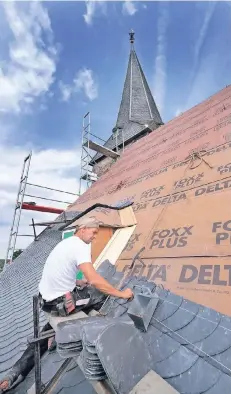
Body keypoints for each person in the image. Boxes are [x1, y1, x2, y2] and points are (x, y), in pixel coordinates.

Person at [0, 216, 133, 392]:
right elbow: (94, 279)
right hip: (60, 304)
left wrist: (77, 283)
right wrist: (122, 294)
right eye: (94, 232)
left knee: (44, 334)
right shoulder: (81, 247)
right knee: (100, 295)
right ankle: (94, 334)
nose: (94, 237)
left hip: (47, 302)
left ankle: (13, 375)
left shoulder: (66, 243)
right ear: (83, 228)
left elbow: (61, 274)